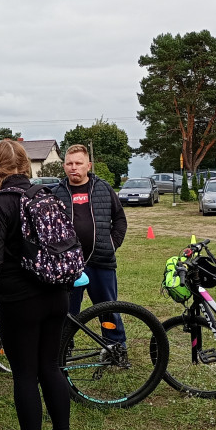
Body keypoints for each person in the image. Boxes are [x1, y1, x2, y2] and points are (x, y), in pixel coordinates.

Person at [0, 139, 74, 430]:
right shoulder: (47, 196)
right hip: (56, 294)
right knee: (51, 367)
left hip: (19, 301)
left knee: (26, 374)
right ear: (26, 166)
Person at [51, 144, 128, 360]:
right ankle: (64, 349)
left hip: (100, 262)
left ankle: (116, 349)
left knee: (108, 308)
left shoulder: (103, 188)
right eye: (69, 163)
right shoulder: (55, 193)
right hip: (68, 266)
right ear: (64, 166)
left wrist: (112, 244)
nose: (73, 168)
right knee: (66, 312)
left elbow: (120, 220)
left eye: (78, 163)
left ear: (88, 165)